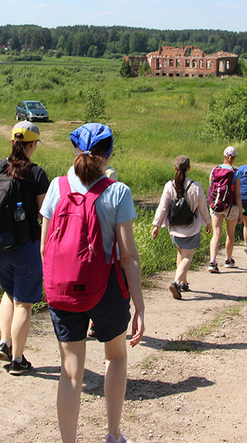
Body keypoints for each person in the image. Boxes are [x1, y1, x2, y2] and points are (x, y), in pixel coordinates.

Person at [40, 123, 145, 443]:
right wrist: (139, 304)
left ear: (76, 150)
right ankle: (113, 434)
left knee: (71, 370)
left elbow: (44, 246)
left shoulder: (57, 187)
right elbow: (127, 256)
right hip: (108, 286)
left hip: (64, 287)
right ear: (109, 153)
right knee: (115, 356)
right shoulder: (118, 192)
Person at [0, 120, 50, 375]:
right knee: (24, 304)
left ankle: (4, 341)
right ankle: (18, 360)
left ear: (12, 142)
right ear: (33, 144)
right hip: (25, 247)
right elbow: (45, 213)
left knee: (8, 293)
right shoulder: (37, 173)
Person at [151, 155, 211, 299]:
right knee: (187, 257)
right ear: (189, 168)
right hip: (191, 228)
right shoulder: (195, 186)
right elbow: (203, 207)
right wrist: (207, 222)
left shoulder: (169, 186)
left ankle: (183, 282)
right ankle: (177, 282)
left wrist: (157, 225)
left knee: (180, 253)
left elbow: (163, 207)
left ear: (174, 168)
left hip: (175, 229)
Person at [208, 146, 243, 272]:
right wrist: (241, 212)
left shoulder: (214, 170)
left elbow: (211, 188)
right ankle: (228, 259)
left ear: (224, 156)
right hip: (231, 207)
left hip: (217, 206)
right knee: (230, 234)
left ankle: (212, 261)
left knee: (216, 233)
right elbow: (238, 195)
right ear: (234, 158)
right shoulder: (236, 172)